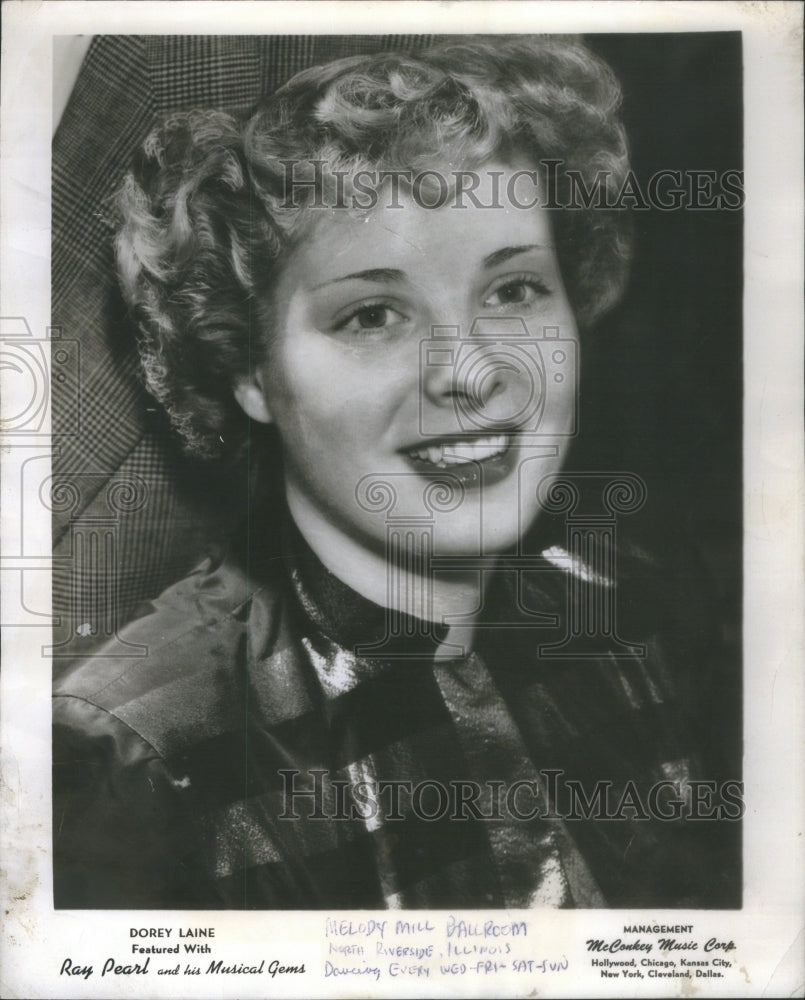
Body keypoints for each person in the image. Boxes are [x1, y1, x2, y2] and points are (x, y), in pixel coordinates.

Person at [53, 36, 738, 909]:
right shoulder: (128, 755)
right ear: (249, 368)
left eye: (513, 291)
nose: (472, 370)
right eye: (373, 314)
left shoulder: (643, 597)